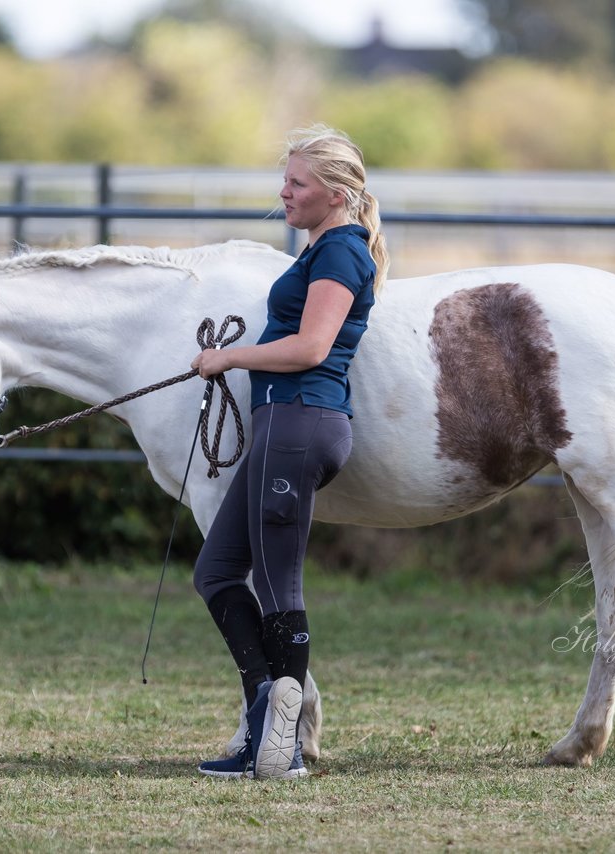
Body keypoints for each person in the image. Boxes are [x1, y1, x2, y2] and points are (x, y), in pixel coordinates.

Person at [190, 124, 389, 780]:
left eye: (296, 183)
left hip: (301, 424)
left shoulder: (340, 254)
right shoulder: (320, 250)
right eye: (286, 180)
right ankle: (263, 721)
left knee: (278, 585)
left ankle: (281, 751)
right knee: (217, 572)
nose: (284, 193)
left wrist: (230, 356)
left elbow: (310, 348)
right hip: (283, 424)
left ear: (334, 195)